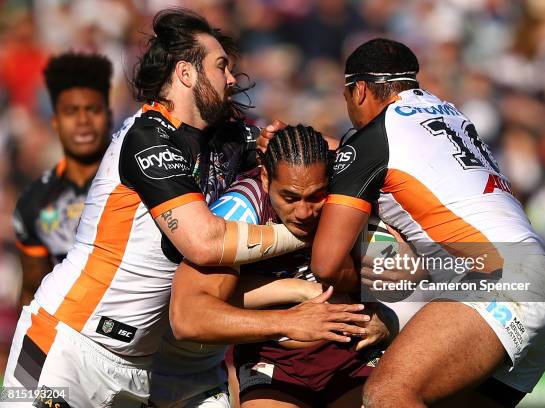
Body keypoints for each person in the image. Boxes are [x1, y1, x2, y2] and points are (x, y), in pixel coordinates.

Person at [1, 10, 365, 407]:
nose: (231, 78)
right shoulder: (146, 137)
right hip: (67, 342)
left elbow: (320, 153)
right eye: (221, 66)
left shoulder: (230, 137)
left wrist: (357, 157)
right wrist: (303, 231)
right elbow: (204, 243)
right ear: (186, 74)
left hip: (143, 367)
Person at [261, 38, 545, 407]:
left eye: (346, 96)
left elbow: (326, 264)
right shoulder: (448, 114)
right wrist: (293, 143)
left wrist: (394, 270)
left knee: (387, 393)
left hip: (499, 284)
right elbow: (362, 158)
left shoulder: (374, 138)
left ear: (359, 90)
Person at [163, 125, 387, 408]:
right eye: (290, 198)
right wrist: (294, 308)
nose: (304, 212)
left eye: (316, 196)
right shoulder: (241, 208)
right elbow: (187, 317)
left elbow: (408, 273)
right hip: (272, 361)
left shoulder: (347, 193)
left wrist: (389, 318)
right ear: (266, 178)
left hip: (353, 354)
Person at [12, 52, 113, 308]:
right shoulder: (33, 202)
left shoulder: (136, 182)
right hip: (66, 334)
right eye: (71, 111)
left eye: (93, 110)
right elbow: (31, 292)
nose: (83, 121)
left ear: (109, 116)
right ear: (55, 121)